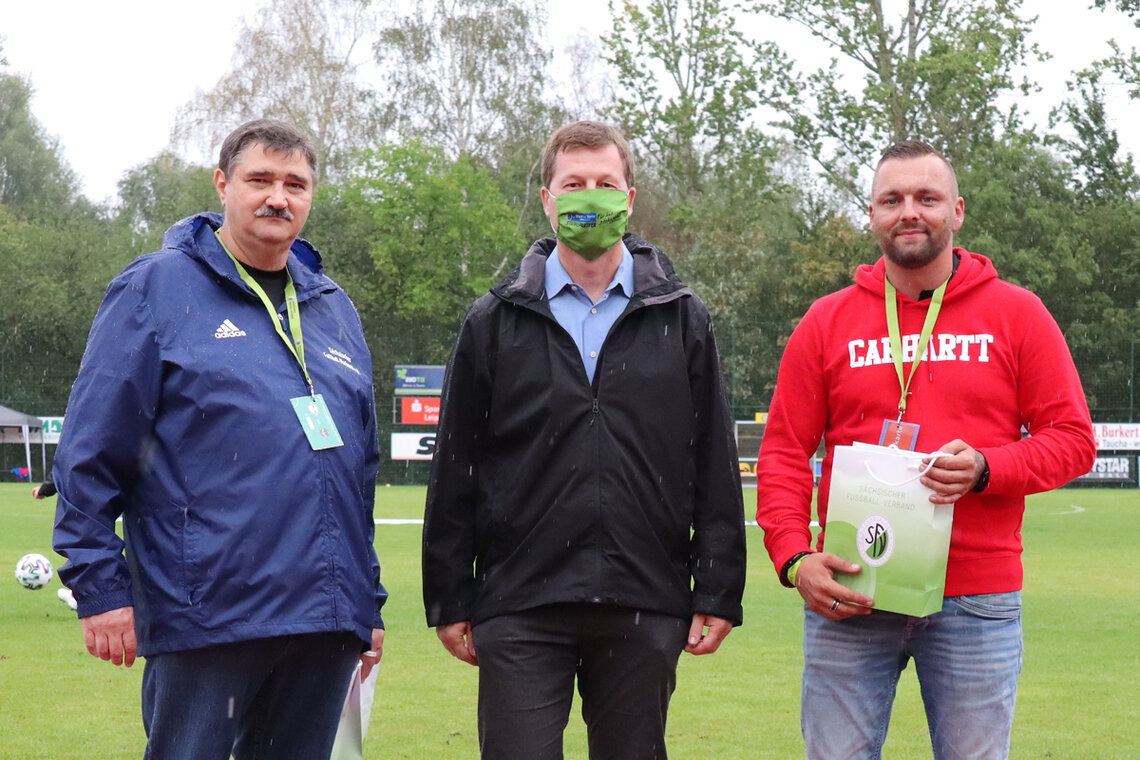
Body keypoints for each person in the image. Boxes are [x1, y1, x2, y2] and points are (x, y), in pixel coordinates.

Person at [52, 119, 386, 760]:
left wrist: (365, 601)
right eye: (260, 179)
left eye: (296, 183)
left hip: (325, 622)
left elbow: (358, 470)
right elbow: (92, 451)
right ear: (223, 183)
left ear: (311, 196)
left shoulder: (333, 308)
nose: (278, 197)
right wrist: (98, 588)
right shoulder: (155, 289)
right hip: (209, 617)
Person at [756, 140, 1096, 760]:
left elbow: (1073, 441)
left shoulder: (1017, 314)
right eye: (892, 199)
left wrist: (989, 467)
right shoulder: (825, 322)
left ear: (957, 211)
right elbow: (783, 453)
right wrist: (792, 555)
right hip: (850, 591)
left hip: (976, 600)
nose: (909, 211)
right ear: (873, 215)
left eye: (926, 198)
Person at [422, 120, 747, 760]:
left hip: (644, 596)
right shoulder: (493, 320)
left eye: (605, 182)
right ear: (547, 197)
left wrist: (717, 589)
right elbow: (456, 465)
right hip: (520, 601)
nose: (589, 197)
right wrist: (451, 595)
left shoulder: (682, 317)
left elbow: (712, 461)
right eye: (574, 184)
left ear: (629, 196)